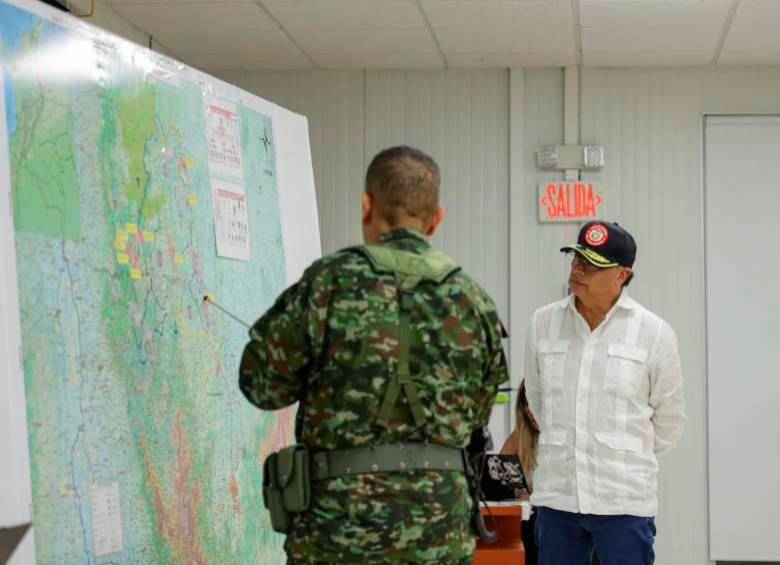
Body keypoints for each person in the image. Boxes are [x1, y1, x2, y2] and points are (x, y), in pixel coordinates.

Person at [239, 145, 510, 564]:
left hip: (337, 532)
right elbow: (477, 416)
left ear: (367, 207)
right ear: (436, 220)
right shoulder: (473, 302)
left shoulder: (328, 282)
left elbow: (261, 386)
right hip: (439, 532)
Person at [524, 221, 686, 565]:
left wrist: (621, 454)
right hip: (558, 500)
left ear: (622, 276)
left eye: (592, 264)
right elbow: (537, 403)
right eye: (575, 258)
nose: (577, 269)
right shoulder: (542, 323)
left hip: (623, 503)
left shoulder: (653, 333)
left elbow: (670, 422)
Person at [499, 383, 540, 563]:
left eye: (534, 403)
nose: (530, 411)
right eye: (525, 404)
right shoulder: (519, 438)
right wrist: (519, 491)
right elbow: (498, 479)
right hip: (531, 519)